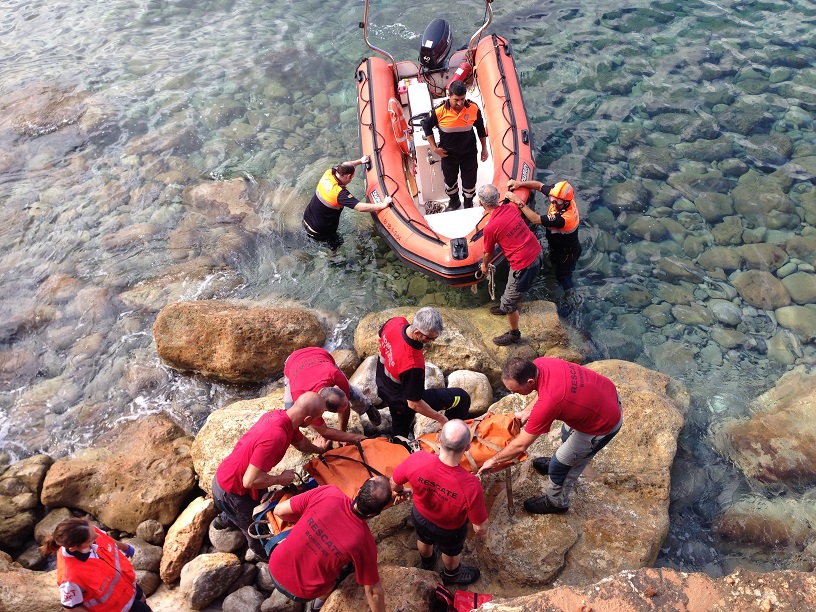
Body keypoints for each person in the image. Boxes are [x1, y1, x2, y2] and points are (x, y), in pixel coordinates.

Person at [478, 357, 623, 515]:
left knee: (559, 466)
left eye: (516, 390)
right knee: (566, 433)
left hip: (603, 424)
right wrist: (526, 413)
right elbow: (543, 391)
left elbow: (520, 445)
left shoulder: (550, 402)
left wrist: (493, 460)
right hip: (603, 395)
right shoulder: (541, 363)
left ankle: (557, 503)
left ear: (530, 382)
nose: (512, 393)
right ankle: (564, 463)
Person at [212, 391, 331, 557]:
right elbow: (250, 480)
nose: (319, 421)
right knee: (254, 525)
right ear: (307, 420)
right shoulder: (276, 436)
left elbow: (301, 443)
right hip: (231, 490)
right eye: (318, 417)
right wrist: (281, 479)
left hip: (230, 476)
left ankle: (222, 520)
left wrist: (319, 449)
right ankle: (266, 556)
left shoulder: (282, 417)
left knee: (257, 504)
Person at [267, 476, 392, 612]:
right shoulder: (364, 541)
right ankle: (316, 608)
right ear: (377, 512)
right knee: (332, 583)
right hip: (303, 593)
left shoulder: (328, 493)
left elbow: (279, 511)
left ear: (359, 491)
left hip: (274, 566)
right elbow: (373, 591)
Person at [390, 419, 488, 586]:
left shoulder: (418, 459)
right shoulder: (470, 485)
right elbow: (480, 527)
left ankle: (427, 562)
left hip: (420, 516)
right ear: (467, 447)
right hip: (449, 530)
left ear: (437, 438)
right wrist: (483, 534)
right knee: (450, 552)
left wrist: (400, 491)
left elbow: (394, 483)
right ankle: (452, 574)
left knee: (423, 538)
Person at [376, 306, 470, 439]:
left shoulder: (396, 322)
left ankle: (397, 446)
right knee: (461, 397)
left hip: (383, 386)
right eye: (429, 339)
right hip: (401, 400)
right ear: (416, 331)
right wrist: (441, 419)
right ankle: (452, 437)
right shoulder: (412, 362)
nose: (432, 342)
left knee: (400, 429)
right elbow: (414, 403)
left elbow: (380, 336)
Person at [478, 184, 545, 346]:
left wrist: (484, 266)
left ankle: (514, 333)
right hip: (536, 251)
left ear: (481, 203)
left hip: (524, 265)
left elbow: (488, 253)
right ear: (497, 198)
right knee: (511, 285)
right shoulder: (511, 209)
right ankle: (505, 305)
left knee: (509, 302)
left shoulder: (491, 228)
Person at [40, 517, 151, 612]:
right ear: (74, 548)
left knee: (143, 602)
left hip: (128, 584)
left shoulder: (88, 531)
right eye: (92, 539)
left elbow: (107, 539)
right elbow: (72, 607)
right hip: (118, 608)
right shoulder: (70, 578)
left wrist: (125, 547)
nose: (97, 536)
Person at [506, 179, 582, 310]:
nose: (552, 202)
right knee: (552, 264)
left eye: (556, 201)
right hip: (558, 246)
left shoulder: (563, 218)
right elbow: (540, 186)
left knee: (562, 276)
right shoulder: (559, 197)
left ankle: (571, 298)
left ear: (566, 202)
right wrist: (520, 184)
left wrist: (517, 200)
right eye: (552, 198)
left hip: (566, 253)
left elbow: (535, 219)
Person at [284, 346, 383, 439]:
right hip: (293, 362)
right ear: (324, 409)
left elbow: (345, 406)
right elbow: (324, 431)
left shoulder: (335, 375)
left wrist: (342, 433)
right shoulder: (300, 395)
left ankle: (368, 406)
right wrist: (352, 438)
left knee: (351, 393)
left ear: (337, 388)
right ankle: (293, 437)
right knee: (290, 415)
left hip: (319, 354)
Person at [421, 80, 488, 211]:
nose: (460, 103)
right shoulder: (439, 111)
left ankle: (468, 202)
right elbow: (426, 125)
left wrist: (484, 149)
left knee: (469, 182)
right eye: (456, 100)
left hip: (468, 153)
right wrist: (435, 148)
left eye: (462, 99)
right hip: (448, 155)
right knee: (450, 181)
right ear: (449, 95)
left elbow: (480, 128)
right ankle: (454, 201)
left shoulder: (473, 108)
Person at [303, 156, 392, 248]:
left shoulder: (329, 173)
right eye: (352, 177)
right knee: (336, 244)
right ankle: (333, 258)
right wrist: (382, 205)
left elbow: (344, 166)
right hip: (319, 231)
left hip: (307, 218)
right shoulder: (340, 193)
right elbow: (360, 207)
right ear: (348, 176)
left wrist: (360, 161)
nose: (351, 179)